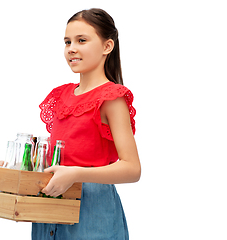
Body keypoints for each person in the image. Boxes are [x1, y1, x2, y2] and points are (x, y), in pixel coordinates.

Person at [32, 8, 141, 240]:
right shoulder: (60, 95)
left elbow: (132, 169)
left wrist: (75, 174)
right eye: (67, 41)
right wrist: (23, 166)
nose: (71, 48)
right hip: (49, 208)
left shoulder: (112, 97)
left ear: (107, 47)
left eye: (82, 40)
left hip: (91, 212)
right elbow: (59, 157)